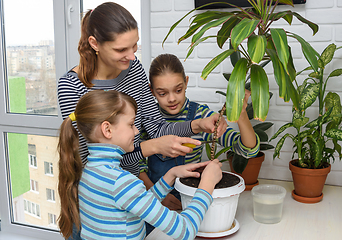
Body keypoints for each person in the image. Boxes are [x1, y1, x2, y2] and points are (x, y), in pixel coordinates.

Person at [57, 2, 227, 178]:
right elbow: (90, 163)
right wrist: (152, 147)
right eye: (121, 49)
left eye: (134, 45)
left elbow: (157, 129)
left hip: (132, 188)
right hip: (101, 196)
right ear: (94, 44)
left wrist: (197, 125)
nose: (132, 56)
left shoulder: (133, 68)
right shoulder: (71, 87)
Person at [57, 90, 223, 240]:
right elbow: (185, 231)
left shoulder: (90, 172)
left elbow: (137, 203)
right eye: (131, 124)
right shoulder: (120, 181)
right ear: (107, 130)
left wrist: (170, 174)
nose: (137, 131)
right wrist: (207, 185)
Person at [140, 53, 260, 212]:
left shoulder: (201, 116)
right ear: (151, 90)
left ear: (186, 82)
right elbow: (136, 165)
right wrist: (157, 196)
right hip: (153, 201)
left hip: (190, 203)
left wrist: (242, 115)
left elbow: (248, 150)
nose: (171, 99)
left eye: (178, 90)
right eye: (162, 93)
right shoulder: (147, 119)